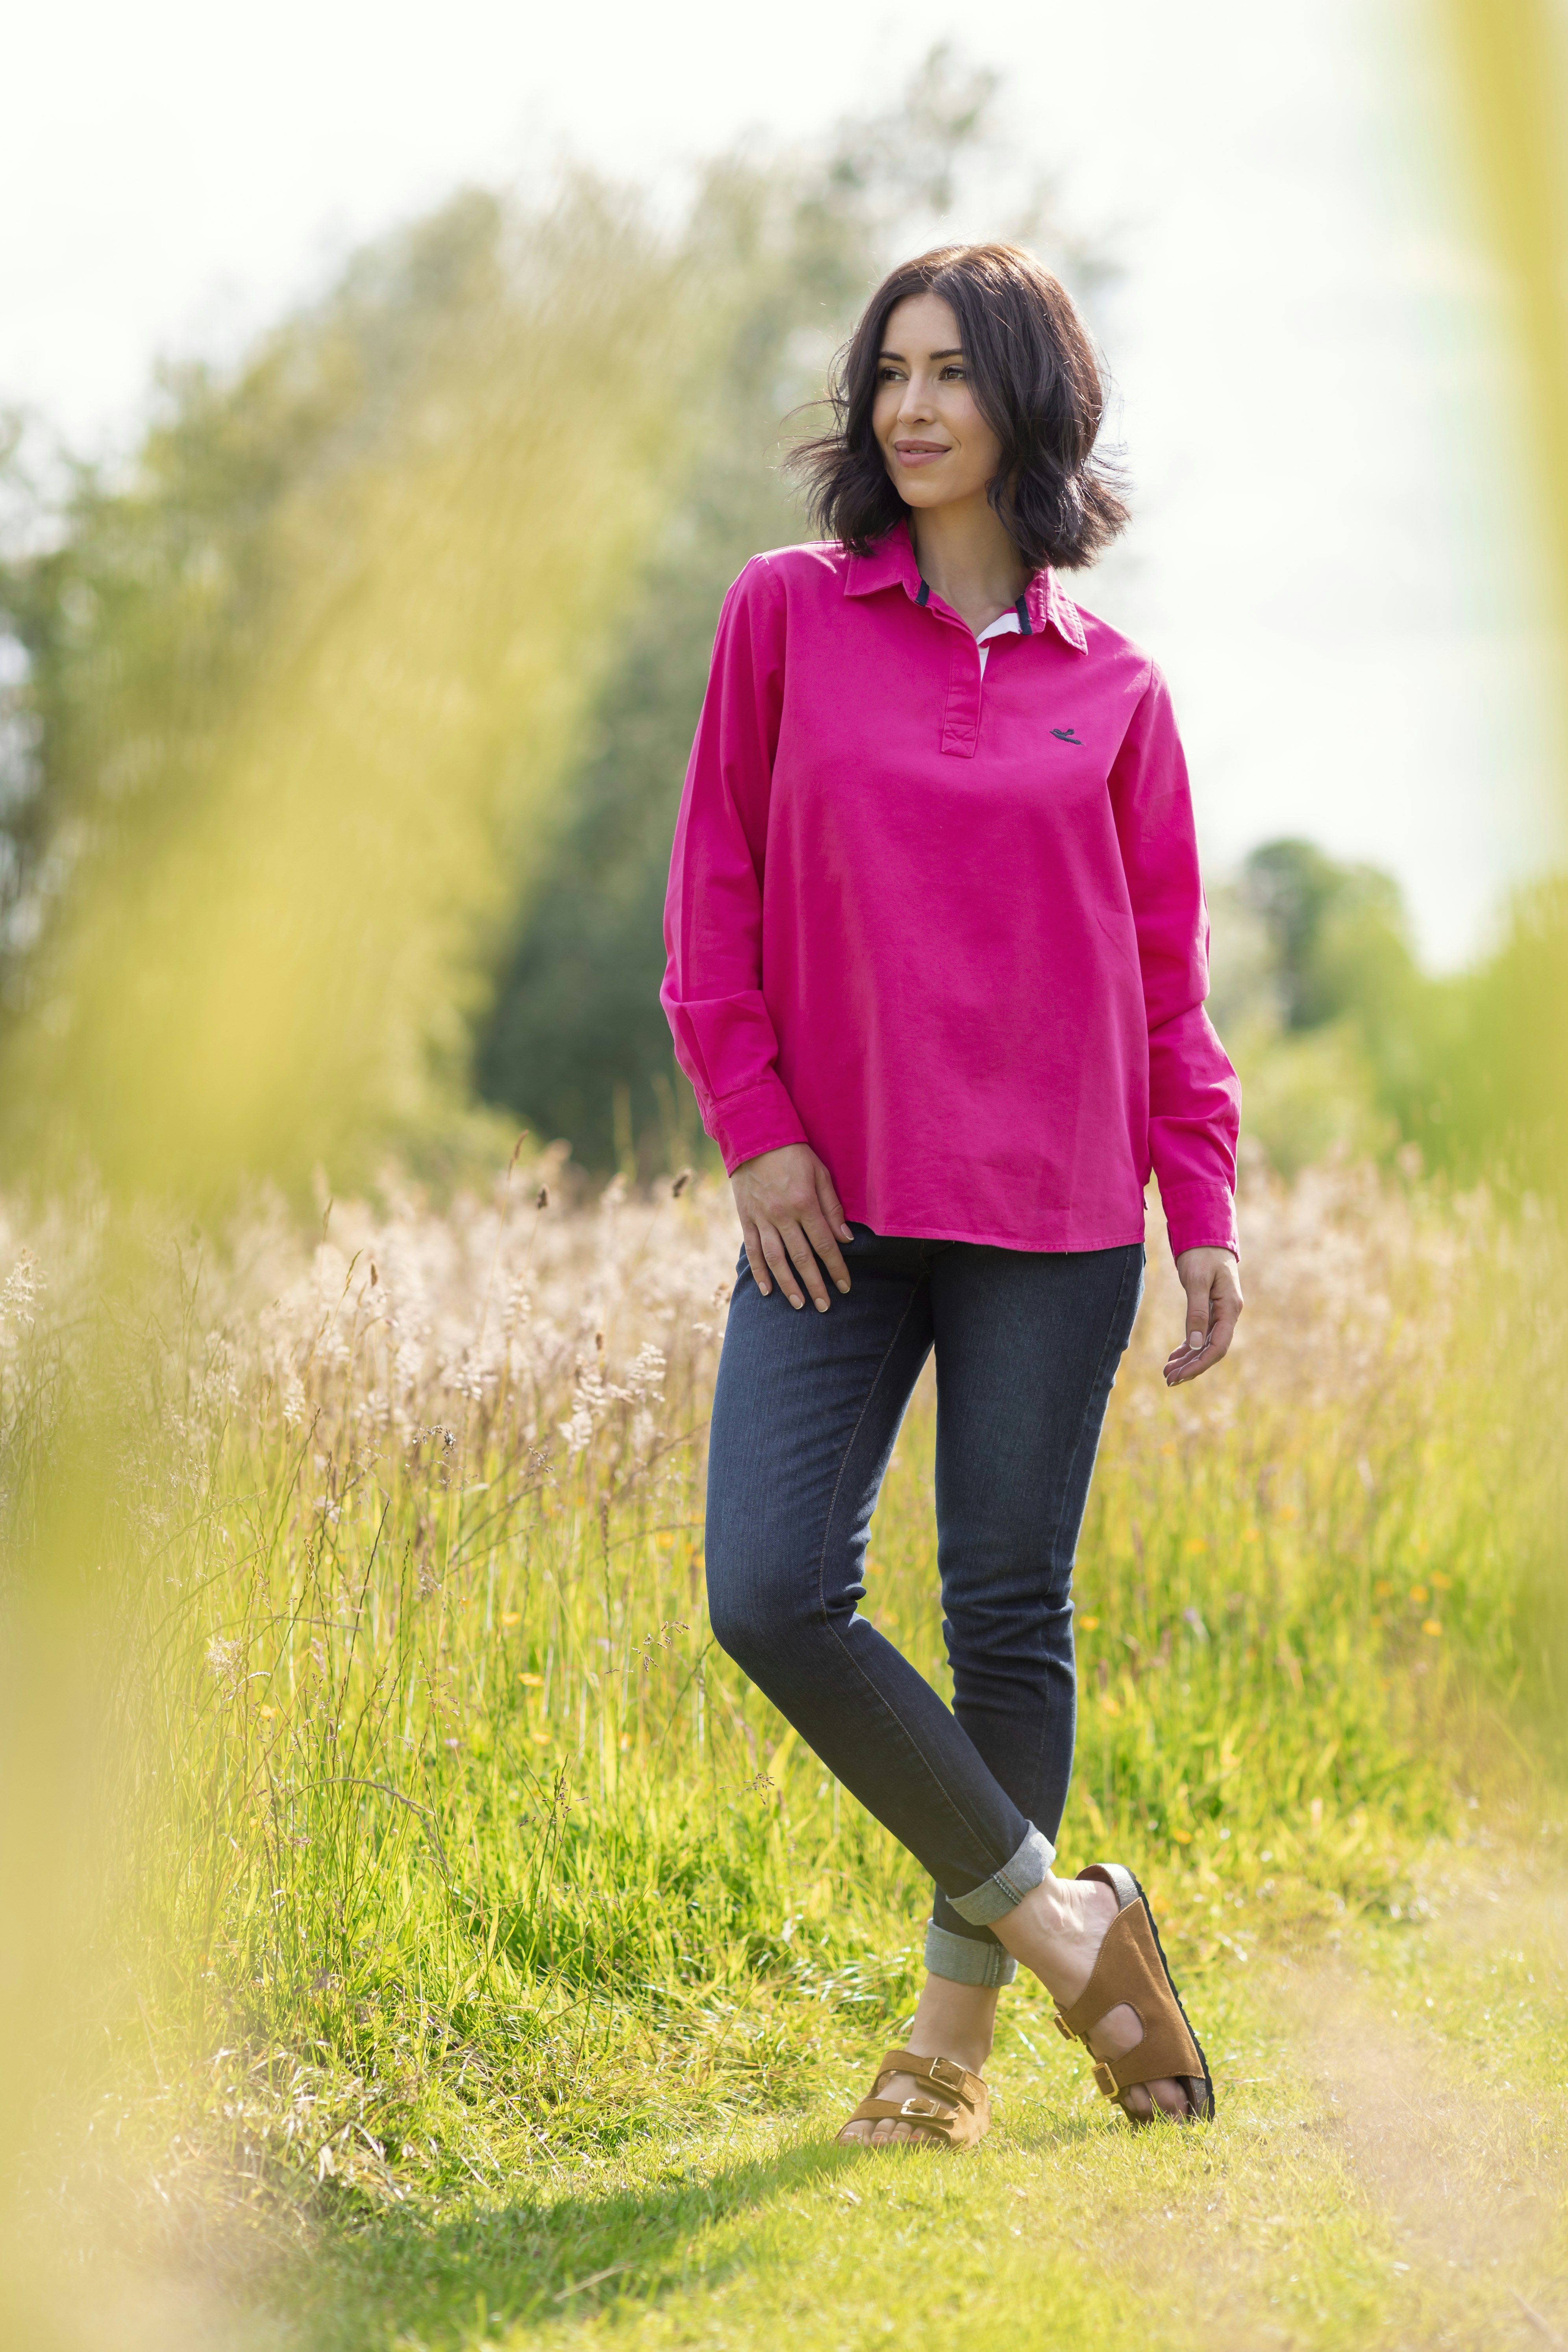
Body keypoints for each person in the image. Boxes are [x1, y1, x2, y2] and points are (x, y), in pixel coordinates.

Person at [661, 242, 1241, 2147]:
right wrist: (757, 1130)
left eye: (950, 374)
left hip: (1060, 1215)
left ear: (1027, 405)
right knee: (769, 1590)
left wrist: (1206, 1207)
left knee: (1009, 1613)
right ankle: (1084, 1937)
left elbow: (1168, 980)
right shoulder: (787, 614)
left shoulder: (1122, 689)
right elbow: (714, 904)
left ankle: (950, 2053)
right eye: (888, 372)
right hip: (831, 1204)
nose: (909, 407)